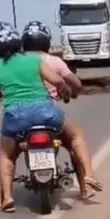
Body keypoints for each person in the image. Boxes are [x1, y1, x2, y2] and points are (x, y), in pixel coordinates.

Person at [0, 21, 71, 212]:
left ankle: (7, 197)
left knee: (6, 154)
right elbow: (58, 81)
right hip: (46, 113)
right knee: (69, 132)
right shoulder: (34, 61)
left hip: (16, 118)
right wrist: (65, 92)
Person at [21, 20, 102, 199]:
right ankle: (86, 185)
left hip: (23, 116)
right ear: (46, 42)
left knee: (7, 153)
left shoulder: (19, 63)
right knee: (75, 139)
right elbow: (76, 83)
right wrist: (74, 93)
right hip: (49, 115)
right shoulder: (54, 61)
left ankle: (3, 193)